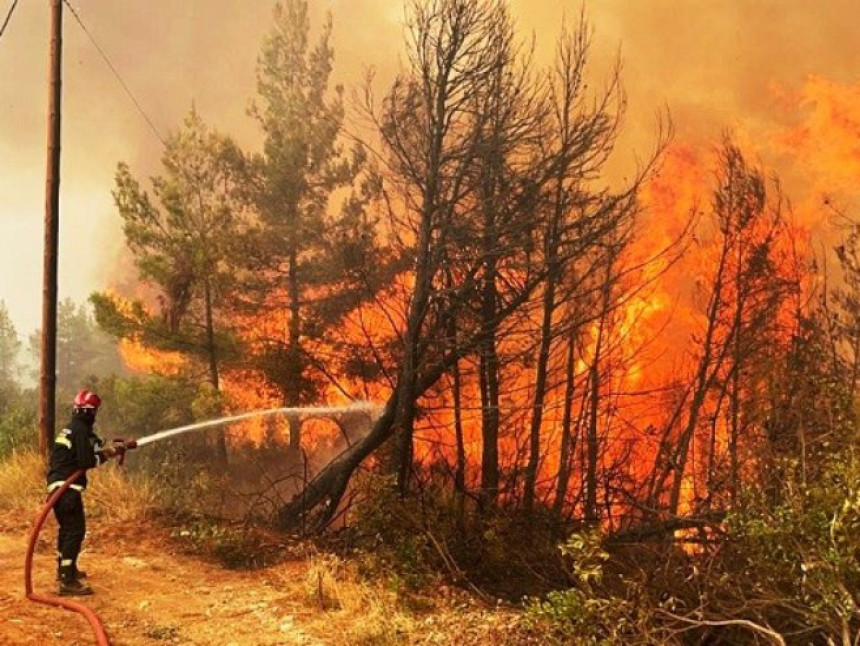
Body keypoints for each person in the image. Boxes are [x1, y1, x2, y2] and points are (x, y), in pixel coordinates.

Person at [46, 389, 120, 596]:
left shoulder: (73, 429)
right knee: (75, 531)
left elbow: (87, 451)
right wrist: (107, 454)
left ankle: (65, 569)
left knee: (67, 530)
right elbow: (87, 462)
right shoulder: (79, 430)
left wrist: (107, 449)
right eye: (94, 411)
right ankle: (67, 581)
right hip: (67, 489)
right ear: (88, 412)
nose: (95, 415)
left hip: (58, 488)